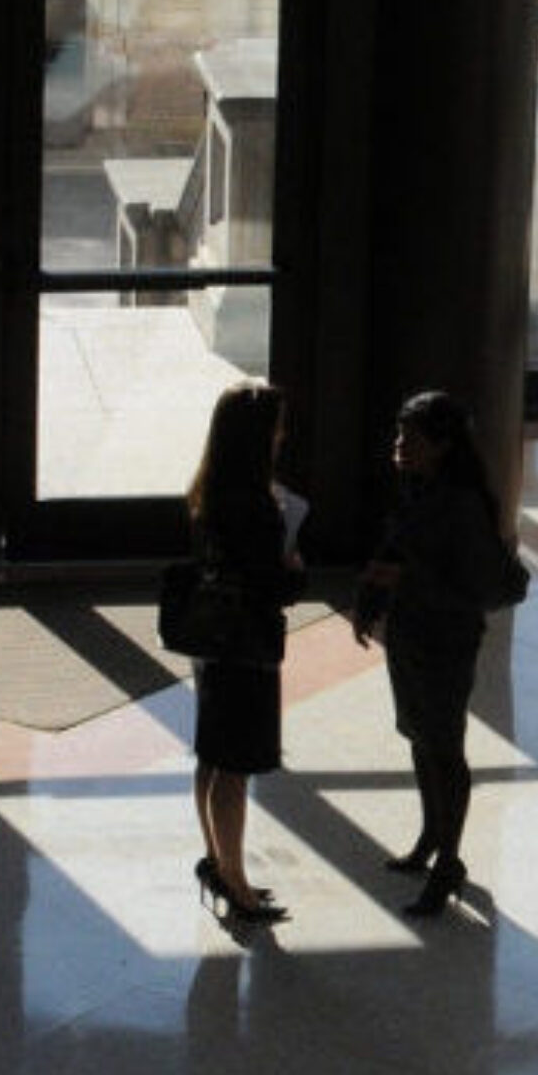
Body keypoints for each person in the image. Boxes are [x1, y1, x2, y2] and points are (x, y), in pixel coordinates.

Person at [353, 390, 516, 917]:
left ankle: (449, 858)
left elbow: (473, 585)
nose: (399, 446)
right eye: (399, 435)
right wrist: (373, 597)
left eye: (411, 438)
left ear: (442, 446)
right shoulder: (416, 487)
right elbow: (394, 547)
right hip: (410, 630)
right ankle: (432, 838)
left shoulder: (462, 504)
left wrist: (403, 578)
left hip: (445, 638)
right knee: (422, 737)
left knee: (444, 745)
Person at [188, 382, 305, 926]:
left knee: (213, 756)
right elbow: (271, 587)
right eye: (278, 426)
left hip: (213, 641)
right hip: (247, 646)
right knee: (236, 766)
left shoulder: (209, 493)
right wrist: (294, 571)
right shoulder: (260, 507)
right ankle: (236, 882)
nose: (284, 435)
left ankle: (217, 861)